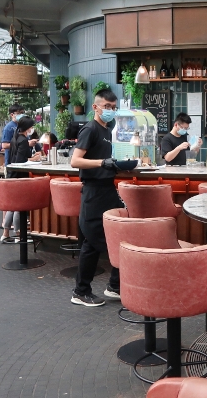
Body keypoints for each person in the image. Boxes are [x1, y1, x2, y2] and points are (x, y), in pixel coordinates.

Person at [69, 89, 137, 307]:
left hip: (108, 189)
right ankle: (80, 291)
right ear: (95, 107)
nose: (110, 110)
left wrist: (118, 166)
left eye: (113, 107)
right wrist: (103, 163)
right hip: (93, 192)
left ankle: (114, 286)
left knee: (121, 233)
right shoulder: (90, 129)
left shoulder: (108, 129)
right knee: (92, 240)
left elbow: (104, 159)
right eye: (106, 107)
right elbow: (75, 161)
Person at [1, 116, 42, 243]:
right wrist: (34, 159)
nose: (32, 129)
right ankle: (19, 234)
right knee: (20, 206)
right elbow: (21, 161)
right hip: (19, 176)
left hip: (11, 174)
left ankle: (6, 233)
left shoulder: (15, 137)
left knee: (12, 206)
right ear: (27, 128)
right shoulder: (23, 140)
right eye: (31, 127)